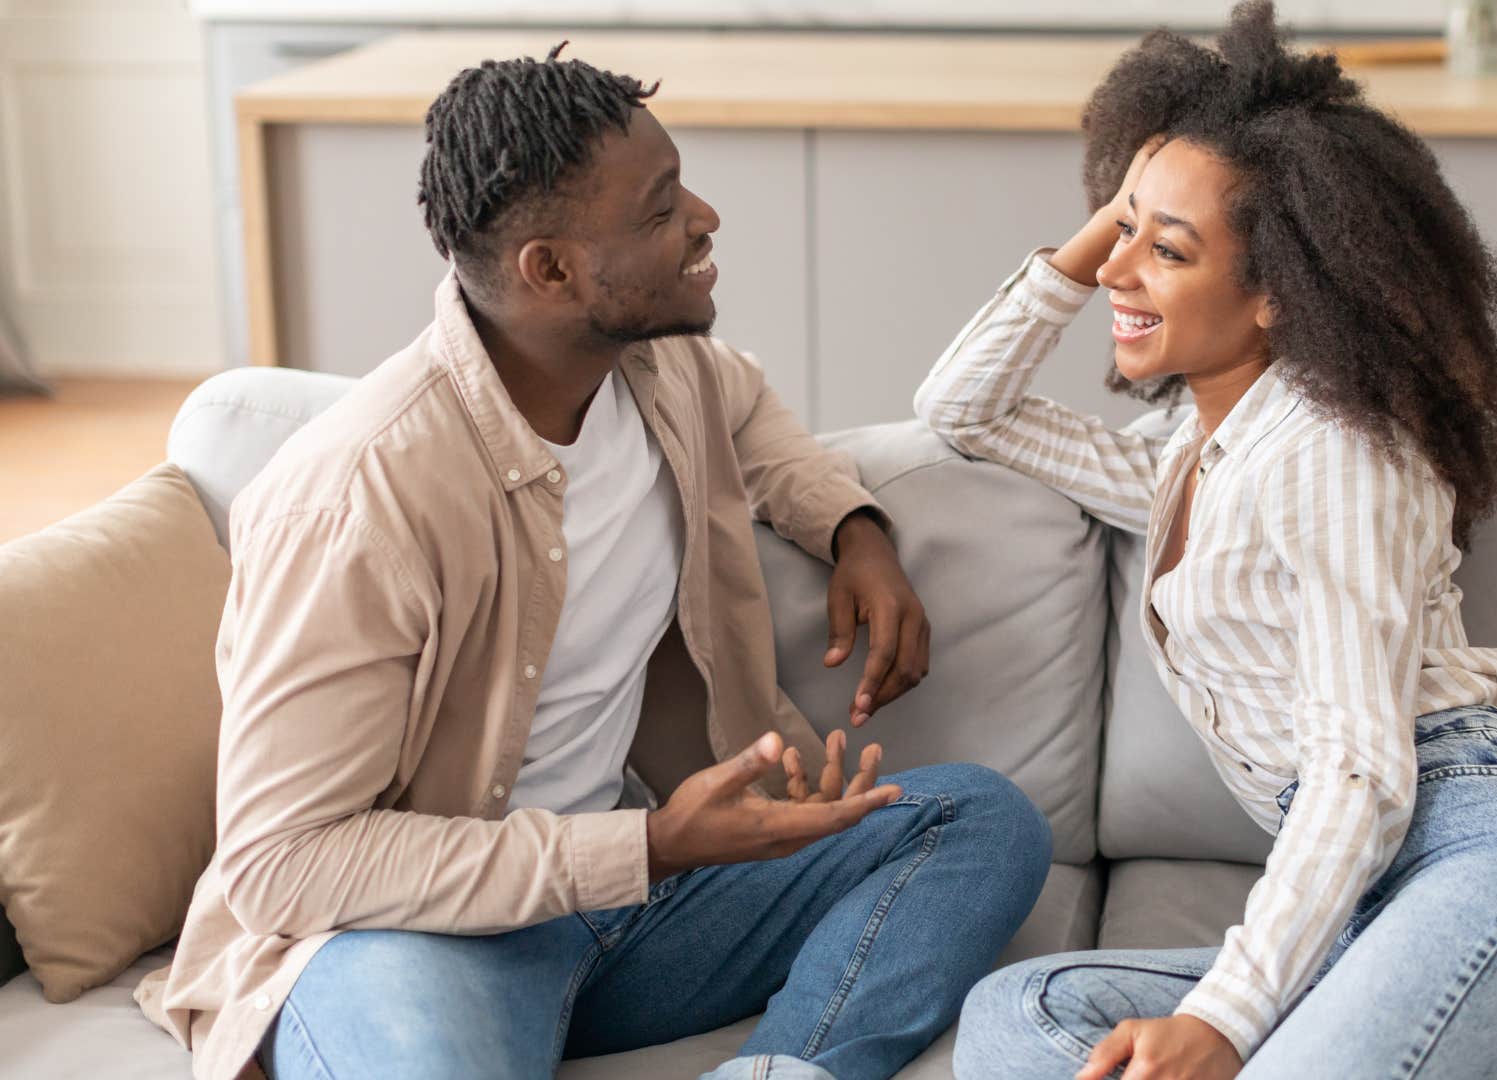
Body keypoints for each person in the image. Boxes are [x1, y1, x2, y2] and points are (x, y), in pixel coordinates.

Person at [135, 46, 1051, 1080]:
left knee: (981, 821)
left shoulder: (660, 366)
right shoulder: (356, 502)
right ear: (552, 270)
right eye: (660, 211)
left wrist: (854, 530)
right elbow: (281, 864)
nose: (704, 219)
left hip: (634, 907)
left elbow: (750, 415)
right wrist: (652, 846)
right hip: (419, 938)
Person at [919, 5, 1497, 1077]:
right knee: (1020, 1019)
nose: (1121, 273)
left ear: (1274, 292)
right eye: (1124, 233)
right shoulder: (1189, 460)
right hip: (1367, 902)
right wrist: (1117, 223)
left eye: (1167, 251)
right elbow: (963, 409)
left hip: (1491, 858)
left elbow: (1358, 769)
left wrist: (1226, 1016)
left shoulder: (1338, 451)